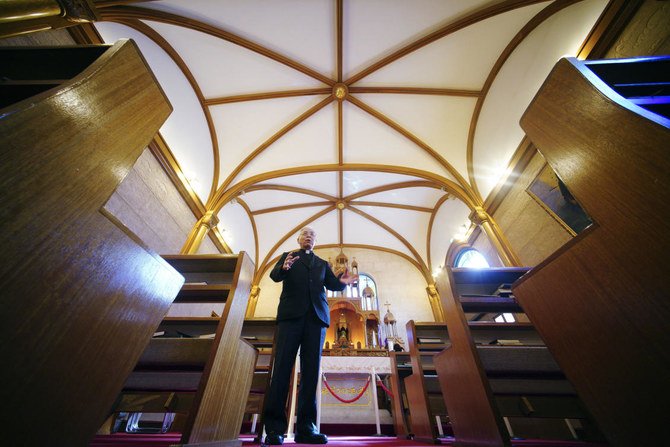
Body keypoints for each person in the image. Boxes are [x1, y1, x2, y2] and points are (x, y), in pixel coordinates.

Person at [263, 227, 358, 445]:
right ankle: (274, 429)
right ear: (298, 239)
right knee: (282, 370)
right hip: (290, 318)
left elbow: (333, 285)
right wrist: (284, 268)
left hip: (316, 320)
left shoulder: (322, 264)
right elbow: (275, 276)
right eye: (305, 235)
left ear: (315, 242)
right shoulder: (288, 257)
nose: (309, 237)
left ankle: (306, 428)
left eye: (313, 236)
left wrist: (343, 281)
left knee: (311, 373)